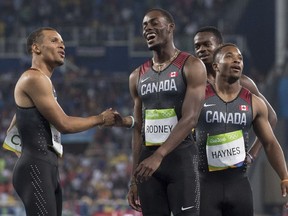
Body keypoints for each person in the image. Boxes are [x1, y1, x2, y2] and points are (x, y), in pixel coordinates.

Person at [4, 27, 120, 216]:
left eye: (63, 42)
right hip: (37, 166)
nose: (62, 45)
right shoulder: (33, 78)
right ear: (36, 48)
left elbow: (12, 129)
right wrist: (100, 119)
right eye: (54, 41)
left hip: (43, 166)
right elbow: (64, 124)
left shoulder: (42, 83)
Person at [127, 8, 207, 216]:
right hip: (147, 163)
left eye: (154, 23)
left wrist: (160, 154)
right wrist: (133, 179)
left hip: (180, 160)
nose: (148, 28)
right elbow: (138, 129)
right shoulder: (137, 76)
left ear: (170, 27)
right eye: (144, 25)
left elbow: (190, 119)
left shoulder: (191, 65)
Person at [195, 43, 288, 216]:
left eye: (240, 58)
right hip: (206, 186)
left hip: (239, 187)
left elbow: (270, 143)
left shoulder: (254, 102)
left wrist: (284, 176)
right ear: (215, 66)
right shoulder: (199, 97)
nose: (237, 61)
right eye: (229, 57)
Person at [193, 26, 277, 163]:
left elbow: (271, 118)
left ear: (220, 47)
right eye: (197, 46)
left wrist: (252, 155)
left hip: (233, 169)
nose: (202, 50)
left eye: (207, 45)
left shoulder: (243, 83)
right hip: (199, 166)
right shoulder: (192, 83)